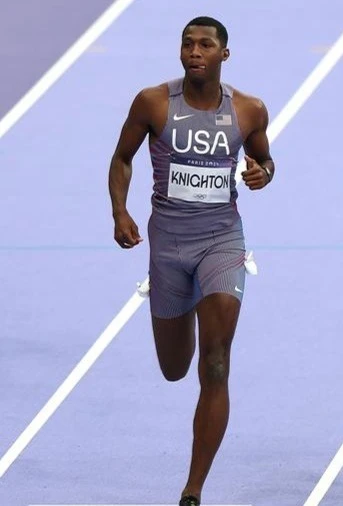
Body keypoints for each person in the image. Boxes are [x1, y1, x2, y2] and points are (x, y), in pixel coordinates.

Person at [107, 16, 274, 506]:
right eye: (187, 44)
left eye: (205, 45)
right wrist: (120, 211)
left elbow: (266, 160)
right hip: (167, 247)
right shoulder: (154, 103)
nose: (194, 51)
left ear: (224, 54)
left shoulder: (248, 110)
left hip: (222, 241)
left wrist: (263, 172)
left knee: (216, 364)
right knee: (175, 368)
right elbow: (121, 158)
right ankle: (166, 302)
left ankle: (192, 490)